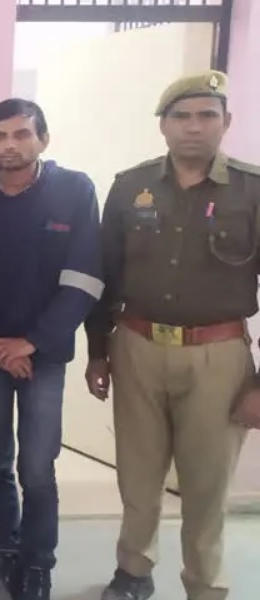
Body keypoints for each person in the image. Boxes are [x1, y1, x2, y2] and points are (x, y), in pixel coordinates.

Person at [85, 71, 258, 600]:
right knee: (137, 477)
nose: (193, 127)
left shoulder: (252, 190)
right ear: (163, 125)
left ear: (226, 122)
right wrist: (98, 353)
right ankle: (133, 572)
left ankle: (204, 585)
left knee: (207, 485)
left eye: (206, 115)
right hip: (136, 348)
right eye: (181, 116)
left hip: (218, 356)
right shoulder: (129, 187)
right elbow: (103, 276)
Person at [0, 98, 103, 600]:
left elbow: (84, 277)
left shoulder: (74, 190)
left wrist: (31, 343)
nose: (9, 145)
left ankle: (38, 563)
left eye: (21, 134)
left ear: (43, 139)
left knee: (37, 467)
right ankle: (9, 549)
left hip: (44, 356)